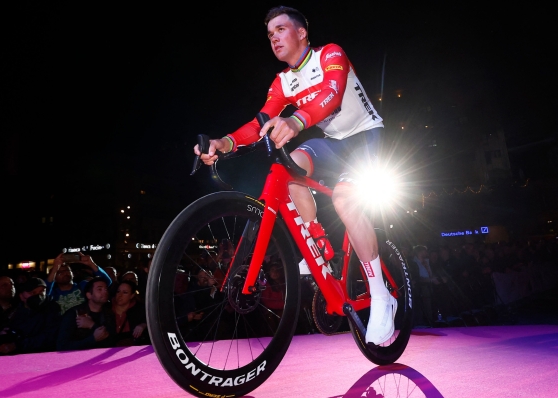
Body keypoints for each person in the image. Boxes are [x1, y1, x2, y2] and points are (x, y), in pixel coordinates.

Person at [193, 6, 395, 344]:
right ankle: (318, 245)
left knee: (345, 199)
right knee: (288, 169)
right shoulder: (283, 81)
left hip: (366, 135)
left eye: (281, 30)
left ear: (302, 32)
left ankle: (381, 295)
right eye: (270, 34)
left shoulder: (331, 53)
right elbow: (259, 124)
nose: (274, 38)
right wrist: (223, 143)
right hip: (334, 143)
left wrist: (296, 121)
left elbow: (331, 94)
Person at [0, 277, 62, 355]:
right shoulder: (14, 311)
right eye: (33, 293)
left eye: (42, 291)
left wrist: (17, 345)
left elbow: (49, 336)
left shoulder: (52, 308)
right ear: (22, 296)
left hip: (41, 355)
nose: (39, 296)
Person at [56, 276, 115, 351]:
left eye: (106, 289)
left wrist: (92, 325)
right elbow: (62, 346)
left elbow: (111, 341)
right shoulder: (74, 314)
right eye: (99, 289)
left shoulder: (108, 314)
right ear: (89, 295)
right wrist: (92, 339)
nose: (105, 292)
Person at [46, 252, 112, 315]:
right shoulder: (53, 293)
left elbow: (106, 282)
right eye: (59, 272)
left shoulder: (83, 286)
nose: (65, 273)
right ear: (54, 276)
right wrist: (55, 268)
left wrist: (91, 264)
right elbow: (44, 292)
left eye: (67, 270)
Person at [110, 280, 148, 346]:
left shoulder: (139, 310)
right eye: (118, 291)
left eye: (125, 292)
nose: (120, 295)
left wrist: (144, 325)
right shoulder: (107, 308)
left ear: (132, 295)